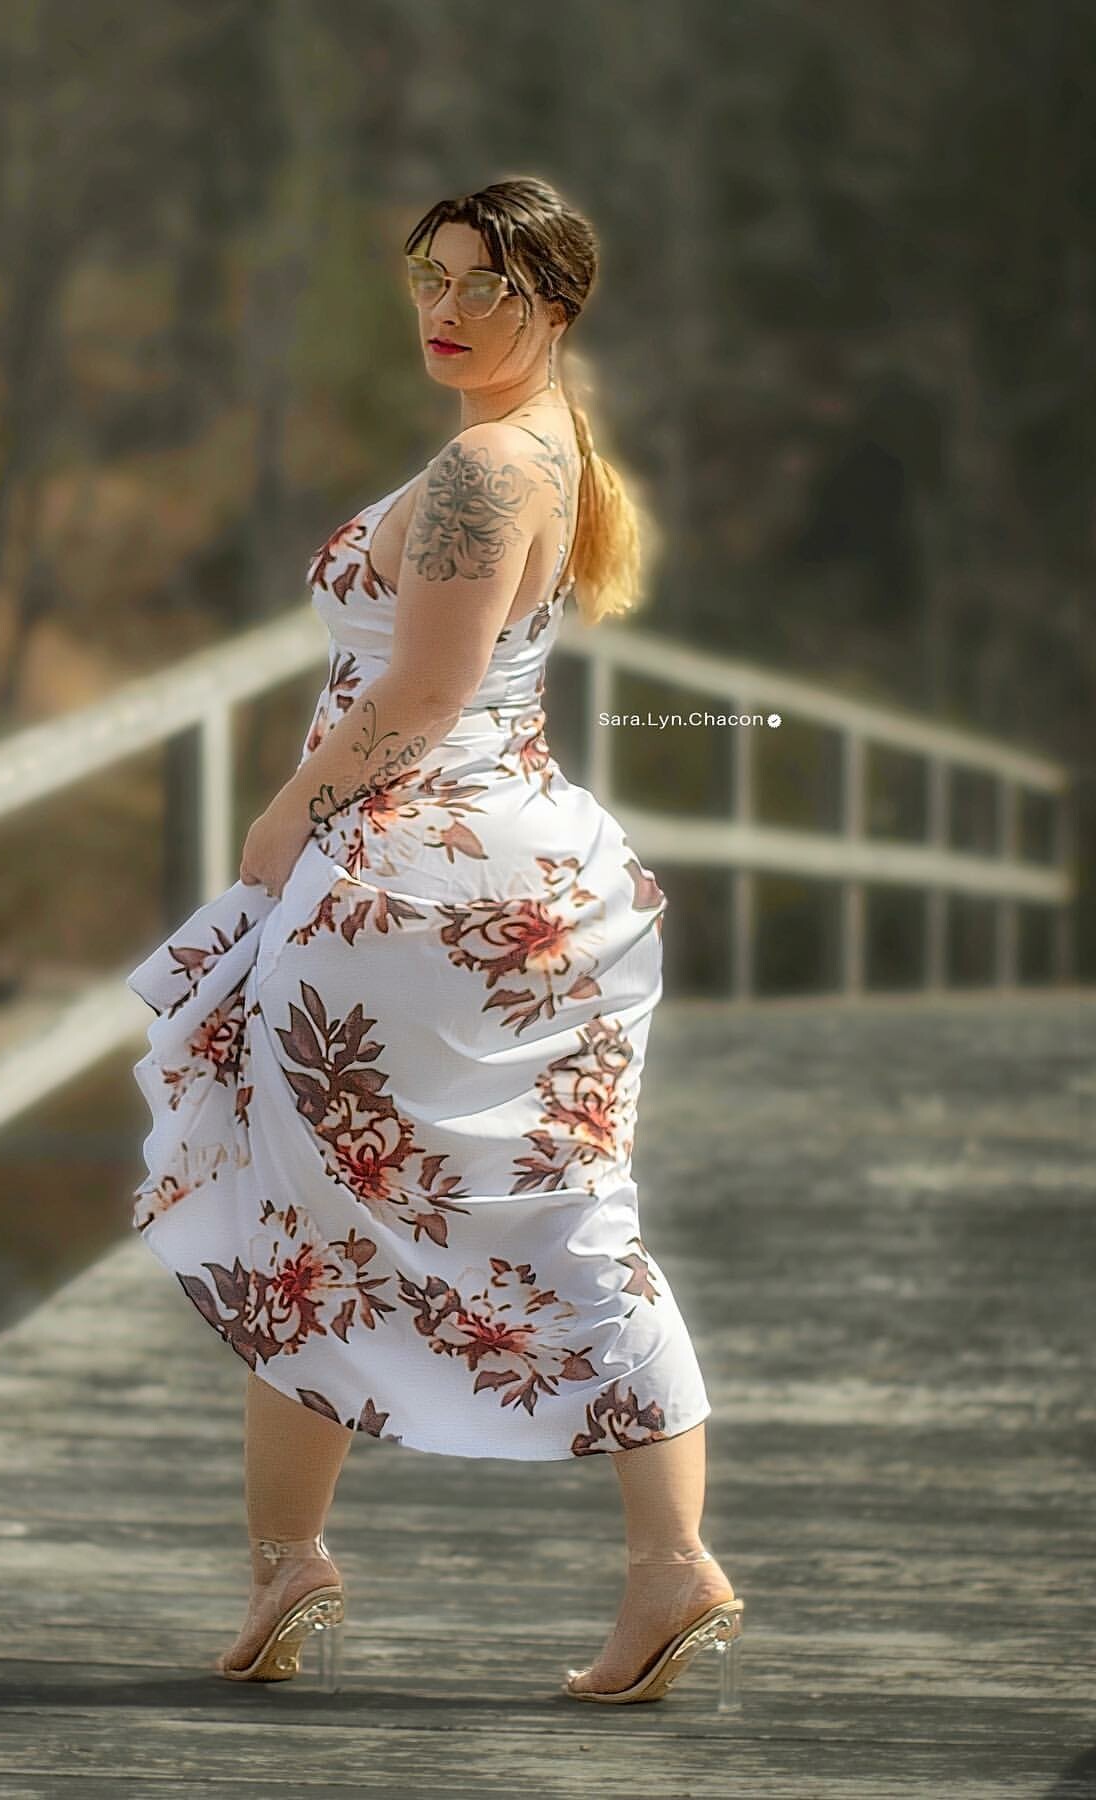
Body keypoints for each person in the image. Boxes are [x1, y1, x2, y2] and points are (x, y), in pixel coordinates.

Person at [125, 176, 744, 1708]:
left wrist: (289, 812)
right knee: (478, 1207)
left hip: (412, 880)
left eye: (488, 287)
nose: (446, 311)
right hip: (510, 870)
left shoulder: (484, 464)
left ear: (557, 306)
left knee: (332, 1208)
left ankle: (321, 1558)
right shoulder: (552, 443)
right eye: (431, 277)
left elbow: (425, 689)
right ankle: (330, 1563)